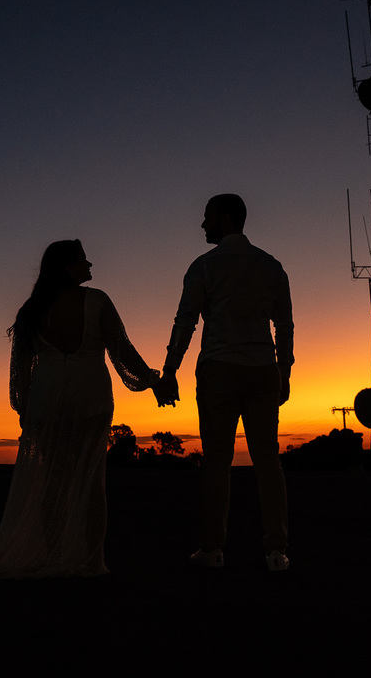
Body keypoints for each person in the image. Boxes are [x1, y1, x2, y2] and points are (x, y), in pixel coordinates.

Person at [0, 240, 163, 578]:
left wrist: (25, 409)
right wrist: (153, 381)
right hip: (89, 398)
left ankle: (55, 558)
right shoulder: (97, 300)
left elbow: (21, 372)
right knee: (91, 481)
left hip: (47, 399)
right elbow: (122, 351)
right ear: (67, 266)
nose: (89, 264)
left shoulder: (32, 309)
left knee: (54, 480)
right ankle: (90, 562)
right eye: (83, 259)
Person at [156, 194, 293, 571]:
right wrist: (284, 371)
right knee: (268, 462)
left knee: (217, 462)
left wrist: (170, 370)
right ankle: (276, 551)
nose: (203, 224)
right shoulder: (271, 266)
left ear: (227, 219)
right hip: (263, 369)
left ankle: (213, 549)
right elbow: (284, 325)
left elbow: (185, 322)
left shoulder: (204, 265)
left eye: (208, 217)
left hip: (219, 370)